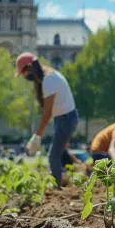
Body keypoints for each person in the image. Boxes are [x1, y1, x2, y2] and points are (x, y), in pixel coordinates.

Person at [15, 53, 79, 187]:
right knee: (58, 152)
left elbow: (47, 113)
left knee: (53, 156)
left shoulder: (48, 81)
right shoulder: (50, 76)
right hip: (64, 118)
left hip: (65, 119)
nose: (25, 76)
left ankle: (56, 187)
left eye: (25, 72)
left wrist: (37, 136)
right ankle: (64, 179)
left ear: (31, 67)